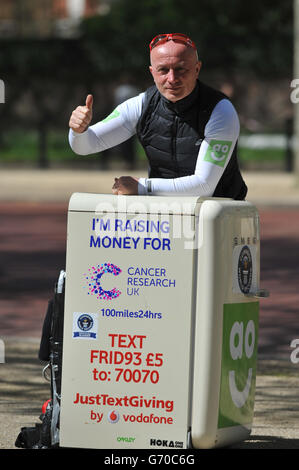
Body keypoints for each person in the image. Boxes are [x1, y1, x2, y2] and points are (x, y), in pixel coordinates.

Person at [68, 33, 247, 199]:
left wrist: (141, 186)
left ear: (197, 69)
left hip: (219, 216)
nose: (172, 78)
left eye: (181, 69)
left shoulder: (221, 110)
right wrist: (78, 131)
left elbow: (204, 186)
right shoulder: (139, 106)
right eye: (163, 70)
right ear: (152, 72)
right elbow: (86, 146)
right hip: (162, 213)